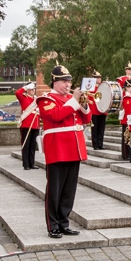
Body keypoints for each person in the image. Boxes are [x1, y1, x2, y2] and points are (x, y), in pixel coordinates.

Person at [36, 64, 91, 239]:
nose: (68, 85)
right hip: (58, 149)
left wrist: (84, 103)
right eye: (64, 82)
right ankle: (53, 225)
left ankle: (64, 223)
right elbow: (57, 116)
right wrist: (74, 100)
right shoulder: (46, 100)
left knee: (69, 190)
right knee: (55, 189)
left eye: (69, 81)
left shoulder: (70, 99)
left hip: (74, 148)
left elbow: (87, 118)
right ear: (55, 82)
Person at [16, 82, 40, 170]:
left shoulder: (37, 100)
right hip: (26, 125)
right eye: (31, 89)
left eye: (34, 89)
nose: (33, 90)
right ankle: (26, 164)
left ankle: (32, 163)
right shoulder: (23, 98)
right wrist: (26, 87)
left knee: (33, 146)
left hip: (35, 125)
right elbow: (17, 93)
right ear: (27, 90)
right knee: (26, 145)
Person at [88, 70, 107, 150]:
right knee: (95, 129)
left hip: (102, 111)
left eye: (99, 78)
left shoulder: (103, 87)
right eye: (96, 78)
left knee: (101, 129)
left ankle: (100, 144)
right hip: (94, 111)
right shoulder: (90, 88)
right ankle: (95, 144)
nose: (98, 79)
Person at [120, 80, 131, 161]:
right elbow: (128, 110)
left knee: (130, 138)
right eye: (128, 87)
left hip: (130, 120)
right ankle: (125, 154)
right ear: (125, 88)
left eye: (130, 87)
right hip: (126, 120)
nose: (129, 88)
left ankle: (129, 153)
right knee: (126, 138)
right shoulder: (126, 97)